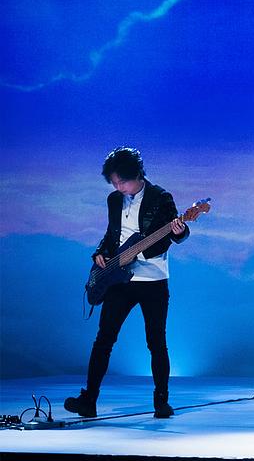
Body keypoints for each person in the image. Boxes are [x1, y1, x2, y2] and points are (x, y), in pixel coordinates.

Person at [64, 147, 189, 419]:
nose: (119, 187)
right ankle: (89, 400)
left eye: (123, 181)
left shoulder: (160, 197)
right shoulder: (114, 200)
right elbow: (112, 234)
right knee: (104, 339)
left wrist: (180, 231)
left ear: (137, 174)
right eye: (114, 182)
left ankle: (161, 401)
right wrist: (100, 252)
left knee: (156, 342)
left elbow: (174, 234)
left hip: (152, 279)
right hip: (118, 277)